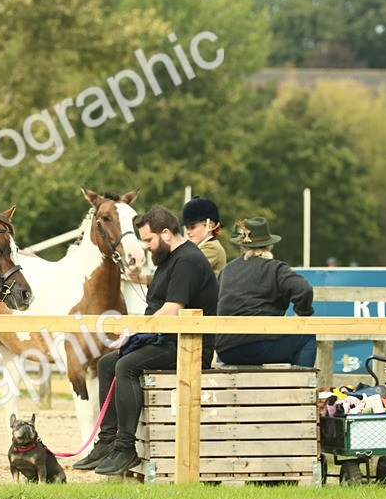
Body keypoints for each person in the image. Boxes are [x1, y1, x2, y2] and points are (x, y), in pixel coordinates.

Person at [73, 205, 219, 475]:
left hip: (187, 346)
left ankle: (126, 448)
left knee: (124, 365)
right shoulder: (170, 260)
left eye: (149, 240)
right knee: (107, 363)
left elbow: (172, 310)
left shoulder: (187, 260)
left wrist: (134, 332)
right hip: (165, 340)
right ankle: (107, 442)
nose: (147, 247)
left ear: (166, 234)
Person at [215, 217, 316, 367]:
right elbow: (304, 289)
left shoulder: (227, 270)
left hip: (225, 351)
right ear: (269, 246)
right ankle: (301, 385)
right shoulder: (275, 268)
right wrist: (301, 314)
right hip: (259, 346)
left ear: (243, 246)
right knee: (306, 335)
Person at [181, 196, 226, 278]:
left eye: (192, 227)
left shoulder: (212, 248)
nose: (188, 232)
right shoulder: (199, 248)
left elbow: (185, 271)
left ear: (209, 226)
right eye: (187, 228)